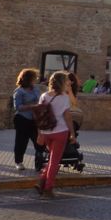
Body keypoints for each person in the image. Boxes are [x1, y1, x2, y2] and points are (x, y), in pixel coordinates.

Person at [35, 71, 75, 199]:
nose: (68, 82)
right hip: (60, 131)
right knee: (54, 161)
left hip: (46, 132)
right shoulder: (64, 97)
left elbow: (39, 115)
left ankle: (41, 181)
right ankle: (48, 188)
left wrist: (40, 133)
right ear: (62, 82)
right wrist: (72, 133)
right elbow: (67, 117)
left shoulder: (44, 96)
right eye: (66, 80)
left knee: (52, 159)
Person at [12, 68, 41, 170]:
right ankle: (18, 162)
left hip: (35, 119)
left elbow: (40, 101)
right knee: (21, 142)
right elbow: (17, 107)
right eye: (34, 77)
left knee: (39, 142)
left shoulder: (36, 89)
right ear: (29, 78)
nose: (36, 79)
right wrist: (32, 106)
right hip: (22, 119)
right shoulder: (19, 91)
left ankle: (39, 162)